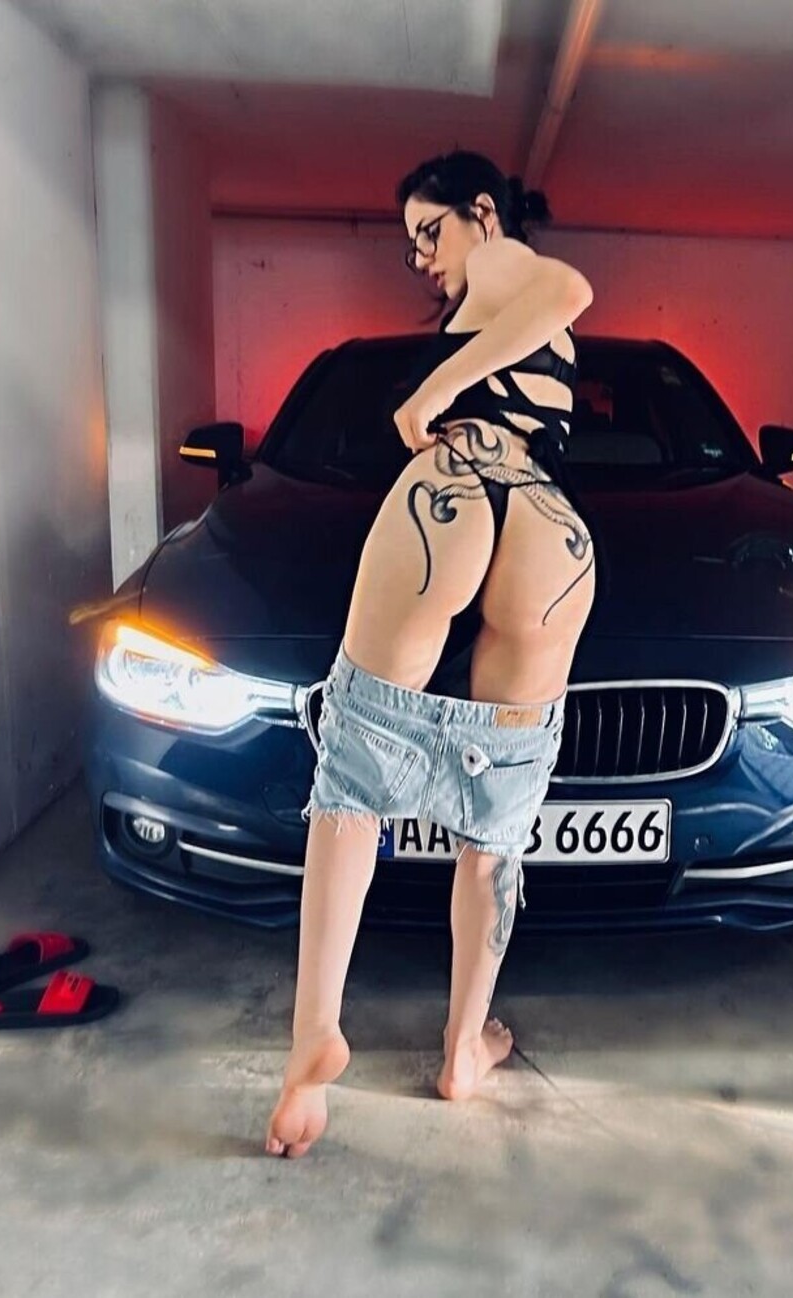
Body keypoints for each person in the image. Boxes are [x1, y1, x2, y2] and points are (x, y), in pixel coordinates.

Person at [266, 151, 596, 1159]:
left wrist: (430, 395)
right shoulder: (501, 298)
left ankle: (314, 1038)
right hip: (546, 528)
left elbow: (569, 288)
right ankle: (462, 1049)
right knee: (497, 811)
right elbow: (557, 312)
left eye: (429, 230)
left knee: (355, 770)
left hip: (447, 496)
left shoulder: (504, 263)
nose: (421, 257)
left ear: (482, 211)